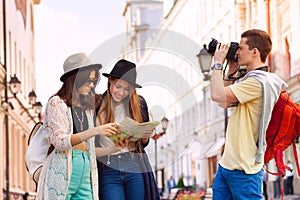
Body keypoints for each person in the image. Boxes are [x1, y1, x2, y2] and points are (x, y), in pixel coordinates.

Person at [210, 29, 287, 199]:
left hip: (245, 169)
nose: (237, 52)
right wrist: (231, 68)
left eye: (241, 47)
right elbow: (223, 101)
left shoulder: (259, 82)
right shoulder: (247, 79)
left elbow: (216, 94)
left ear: (254, 52)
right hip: (227, 165)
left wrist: (217, 62)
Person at [36, 53, 122, 199]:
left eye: (94, 81)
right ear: (75, 79)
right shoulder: (56, 103)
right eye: (87, 81)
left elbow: (89, 150)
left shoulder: (86, 109)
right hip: (61, 172)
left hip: (86, 170)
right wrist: (96, 130)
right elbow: (60, 141)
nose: (91, 85)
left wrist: (113, 149)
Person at [96, 59, 160, 200]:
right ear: (110, 81)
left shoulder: (139, 103)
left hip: (134, 165)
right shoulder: (97, 104)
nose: (121, 92)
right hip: (108, 167)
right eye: (118, 86)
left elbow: (143, 143)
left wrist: (145, 135)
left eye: (127, 89)